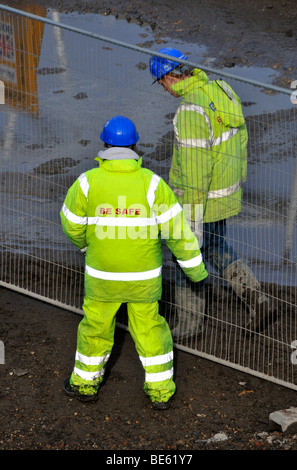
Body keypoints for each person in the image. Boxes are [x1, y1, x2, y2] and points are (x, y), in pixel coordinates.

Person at [60, 115, 208, 408]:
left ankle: (84, 385)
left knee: (95, 328)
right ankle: (161, 392)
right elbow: (178, 232)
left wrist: (85, 245)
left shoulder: (86, 183)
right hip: (144, 280)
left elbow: (71, 223)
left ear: (104, 144)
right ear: (135, 145)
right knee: (151, 330)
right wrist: (196, 269)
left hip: (102, 278)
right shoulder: (152, 184)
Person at [149, 48, 272, 339]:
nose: (165, 90)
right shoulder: (221, 90)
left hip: (200, 202)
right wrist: (237, 182)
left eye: (161, 83)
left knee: (185, 259)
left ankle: (188, 326)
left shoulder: (190, 110)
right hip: (225, 196)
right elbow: (241, 139)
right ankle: (258, 300)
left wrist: (189, 214)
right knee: (216, 248)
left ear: (168, 78)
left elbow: (195, 170)